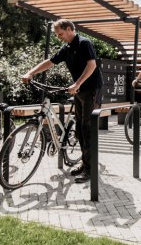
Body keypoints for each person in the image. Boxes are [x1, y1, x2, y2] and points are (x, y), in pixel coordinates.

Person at [21, 19, 102, 184]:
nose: (59, 37)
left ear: (70, 29)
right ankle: (85, 163)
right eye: (57, 35)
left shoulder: (84, 43)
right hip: (79, 91)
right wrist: (31, 73)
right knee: (79, 129)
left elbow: (92, 65)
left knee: (87, 129)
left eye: (61, 34)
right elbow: (50, 62)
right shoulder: (67, 48)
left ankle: (90, 170)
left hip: (91, 90)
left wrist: (77, 83)